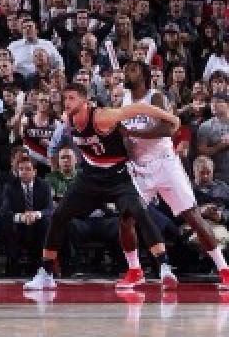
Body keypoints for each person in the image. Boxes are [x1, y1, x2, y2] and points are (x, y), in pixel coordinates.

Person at [24, 82, 179, 291]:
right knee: (59, 214)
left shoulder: (102, 117)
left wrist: (171, 118)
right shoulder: (66, 120)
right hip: (90, 177)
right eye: (65, 98)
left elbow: (139, 108)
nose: (66, 102)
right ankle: (46, 273)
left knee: (139, 212)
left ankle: (165, 267)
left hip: (118, 176)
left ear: (84, 100)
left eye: (72, 98)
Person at [120, 61, 229, 288]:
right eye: (125, 70)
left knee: (193, 218)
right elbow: (125, 137)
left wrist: (132, 131)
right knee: (126, 219)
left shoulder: (155, 97)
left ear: (144, 76)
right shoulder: (125, 101)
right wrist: (126, 143)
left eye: (132, 69)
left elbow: (168, 129)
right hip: (140, 168)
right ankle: (134, 270)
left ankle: (224, 269)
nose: (126, 73)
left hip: (166, 165)